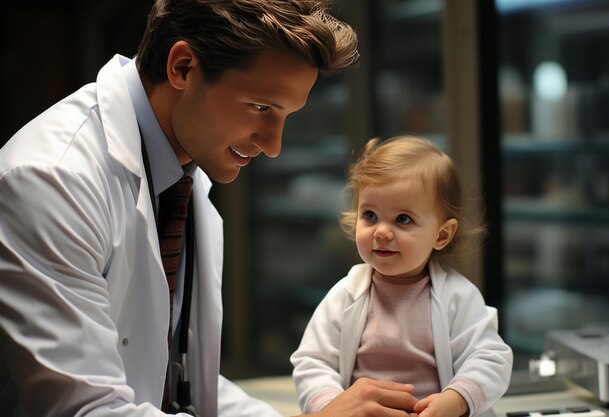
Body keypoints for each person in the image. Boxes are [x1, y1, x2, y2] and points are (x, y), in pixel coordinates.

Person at [0, 1, 422, 416]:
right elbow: (88, 409)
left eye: (285, 115)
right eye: (260, 108)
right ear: (182, 67)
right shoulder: (51, 179)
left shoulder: (180, 165)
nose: (273, 146)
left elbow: (169, 375)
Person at [291, 136, 514, 417]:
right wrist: (331, 406)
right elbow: (313, 361)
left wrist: (456, 400)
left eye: (403, 219)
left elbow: (490, 358)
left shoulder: (458, 296)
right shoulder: (345, 294)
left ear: (442, 234)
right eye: (370, 215)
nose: (381, 232)